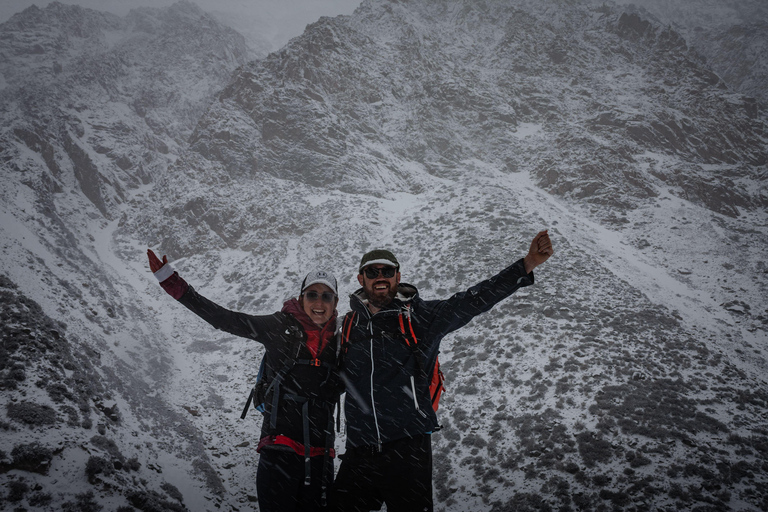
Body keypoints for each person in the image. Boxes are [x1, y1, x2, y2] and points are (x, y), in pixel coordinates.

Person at [331, 231, 554, 512]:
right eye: (372, 271)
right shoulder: (346, 327)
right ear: (361, 279)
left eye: (387, 270)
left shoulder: (421, 318)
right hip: (359, 449)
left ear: (397, 277)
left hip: (408, 447)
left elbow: (475, 299)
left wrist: (526, 264)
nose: (380, 276)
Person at [147, 249, 341, 512]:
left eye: (326, 296)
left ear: (335, 303)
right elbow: (225, 319)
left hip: (322, 459)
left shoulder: (343, 342)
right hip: (279, 451)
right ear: (301, 298)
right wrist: (170, 281)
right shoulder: (278, 327)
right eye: (312, 294)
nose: (319, 302)